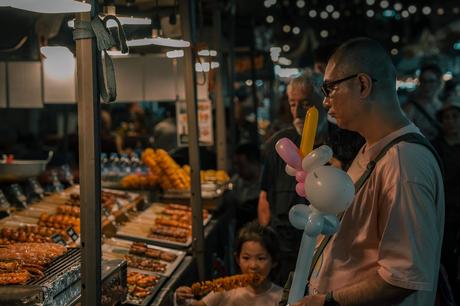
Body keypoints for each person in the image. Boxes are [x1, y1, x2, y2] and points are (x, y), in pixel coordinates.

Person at [291, 37, 444, 306]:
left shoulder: (404, 162)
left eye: (329, 88)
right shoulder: (374, 148)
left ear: (363, 84)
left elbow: (402, 277)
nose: (325, 102)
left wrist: (328, 302)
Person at [258, 69, 328, 286]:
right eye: (292, 104)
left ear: (324, 102)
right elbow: (264, 199)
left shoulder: (342, 144)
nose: (297, 113)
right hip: (285, 250)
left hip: (325, 249)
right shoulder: (279, 144)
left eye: (305, 104)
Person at [175, 221, 283, 306]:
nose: (253, 265)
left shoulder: (280, 298)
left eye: (261, 258)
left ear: (274, 261)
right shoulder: (226, 289)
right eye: (246, 258)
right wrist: (183, 301)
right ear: (237, 259)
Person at [432, 96, 460, 302]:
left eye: (455, 117)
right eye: (447, 117)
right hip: (444, 211)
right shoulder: (435, 147)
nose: (450, 121)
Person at [403, 63, 444, 141]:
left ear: (438, 82)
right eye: (423, 81)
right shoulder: (411, 108)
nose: (426, 85)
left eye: (431, 81)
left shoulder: (444, 106)